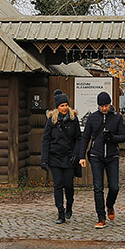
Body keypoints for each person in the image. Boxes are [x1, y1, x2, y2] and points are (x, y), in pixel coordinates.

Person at [78, 90, 125, 227]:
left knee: (114, 187)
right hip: (96, 155)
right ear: (98, 106)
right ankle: (101, 217)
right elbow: (85, 137)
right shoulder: (93, 118)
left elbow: (123, 137)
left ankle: (109, 204)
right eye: (101, 106)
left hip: (112, 155)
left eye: (106, 105)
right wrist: (81, 156)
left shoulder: (117, 118)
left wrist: (113, 137)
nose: (104, 108)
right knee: (98, 188)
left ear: (110, 104)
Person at [40, 90, 81, 223]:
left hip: (69, 157)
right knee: (58, 184)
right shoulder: (52, 121)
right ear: (57, 107)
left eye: (65, 105)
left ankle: (69, 205)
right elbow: (45, 140)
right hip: (55, 157)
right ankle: (60, 212)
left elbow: (78, 138)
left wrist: (76, 154)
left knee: (68, 185)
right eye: (61, 105)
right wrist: (44, 159)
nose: (64, 108)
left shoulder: (73, 120)